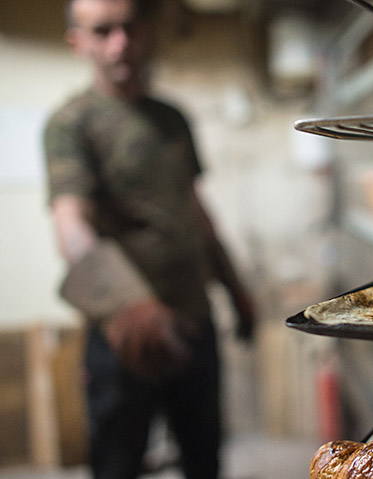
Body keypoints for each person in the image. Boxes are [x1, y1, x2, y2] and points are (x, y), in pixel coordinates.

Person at [43, 0, 255, 477]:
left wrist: (235, 288)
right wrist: (128, 307)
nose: (120, 42)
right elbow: (70, 221)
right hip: (126, 337)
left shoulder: (171, 118)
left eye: (130, 27)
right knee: (117, 463)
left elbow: (196, 212)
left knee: (204, 458)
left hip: (193, 319)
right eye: (102, 32)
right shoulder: (72, 124)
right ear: (77, 42)